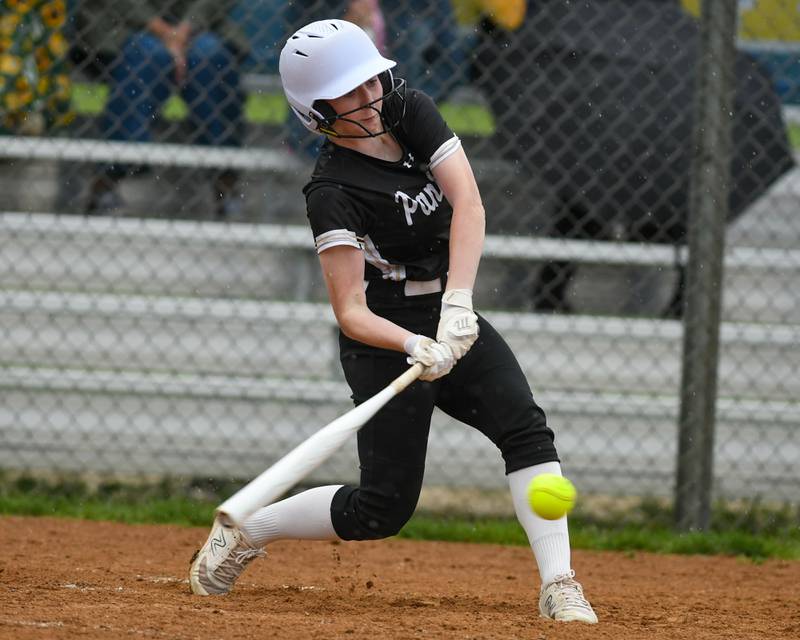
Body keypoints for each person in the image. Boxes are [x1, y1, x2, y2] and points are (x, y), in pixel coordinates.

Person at [188, 19, 598, 624]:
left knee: (526, 430)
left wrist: (458, 301)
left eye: (370, 82)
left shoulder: (407, 108)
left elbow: (469, 201)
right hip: (385, 333)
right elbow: (351, 312)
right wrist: (412, 342)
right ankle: (252, 527)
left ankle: (559, 583)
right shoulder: (331, 190)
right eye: (349, 95)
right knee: (382, 509)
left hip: (446, 306)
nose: (370, 100)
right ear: (317, 113)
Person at [72, 0, 249, 217]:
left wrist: (184, 30)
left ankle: (225, 179)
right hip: (122, 24)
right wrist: (162, 31)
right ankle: (109, 177)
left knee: (210, 57)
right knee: (147, 56)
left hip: (201, 27)